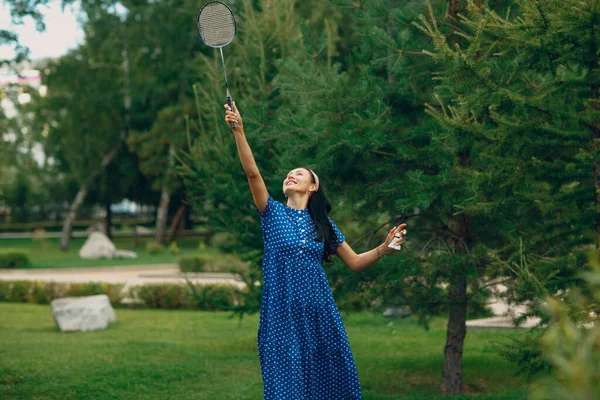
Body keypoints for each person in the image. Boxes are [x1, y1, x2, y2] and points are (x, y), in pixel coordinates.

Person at [224, 102, 407, 400]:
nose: (290, 175)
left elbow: (356, 262)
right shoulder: (271, 213)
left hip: (318, 310)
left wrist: (384, 248)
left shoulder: (323, 225)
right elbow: (253, 175)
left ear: (312, 188)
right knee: (286, 381)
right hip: (281, 312)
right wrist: (239, 132)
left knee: (329, 378)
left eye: (299, 173)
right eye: (288, 174)